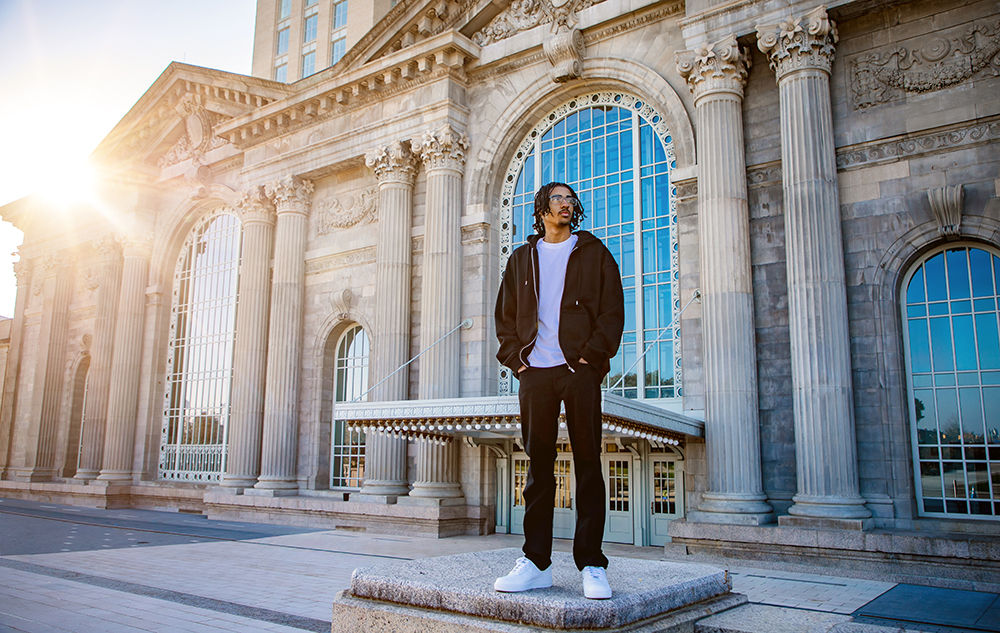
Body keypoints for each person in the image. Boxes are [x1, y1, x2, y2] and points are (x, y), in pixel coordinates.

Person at [493, 182, 625, 600]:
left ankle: (591, 563)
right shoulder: (520, 259)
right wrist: (517, 361)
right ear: (541, 209)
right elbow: (505, 315)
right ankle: (536, 562)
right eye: (558, 199)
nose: (566, 205)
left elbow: (612, 310)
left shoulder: (594, 252)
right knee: (539, 465)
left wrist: (591, 357)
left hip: (578, 371)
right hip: (536, 372)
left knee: (588, 461)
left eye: (571, 200)